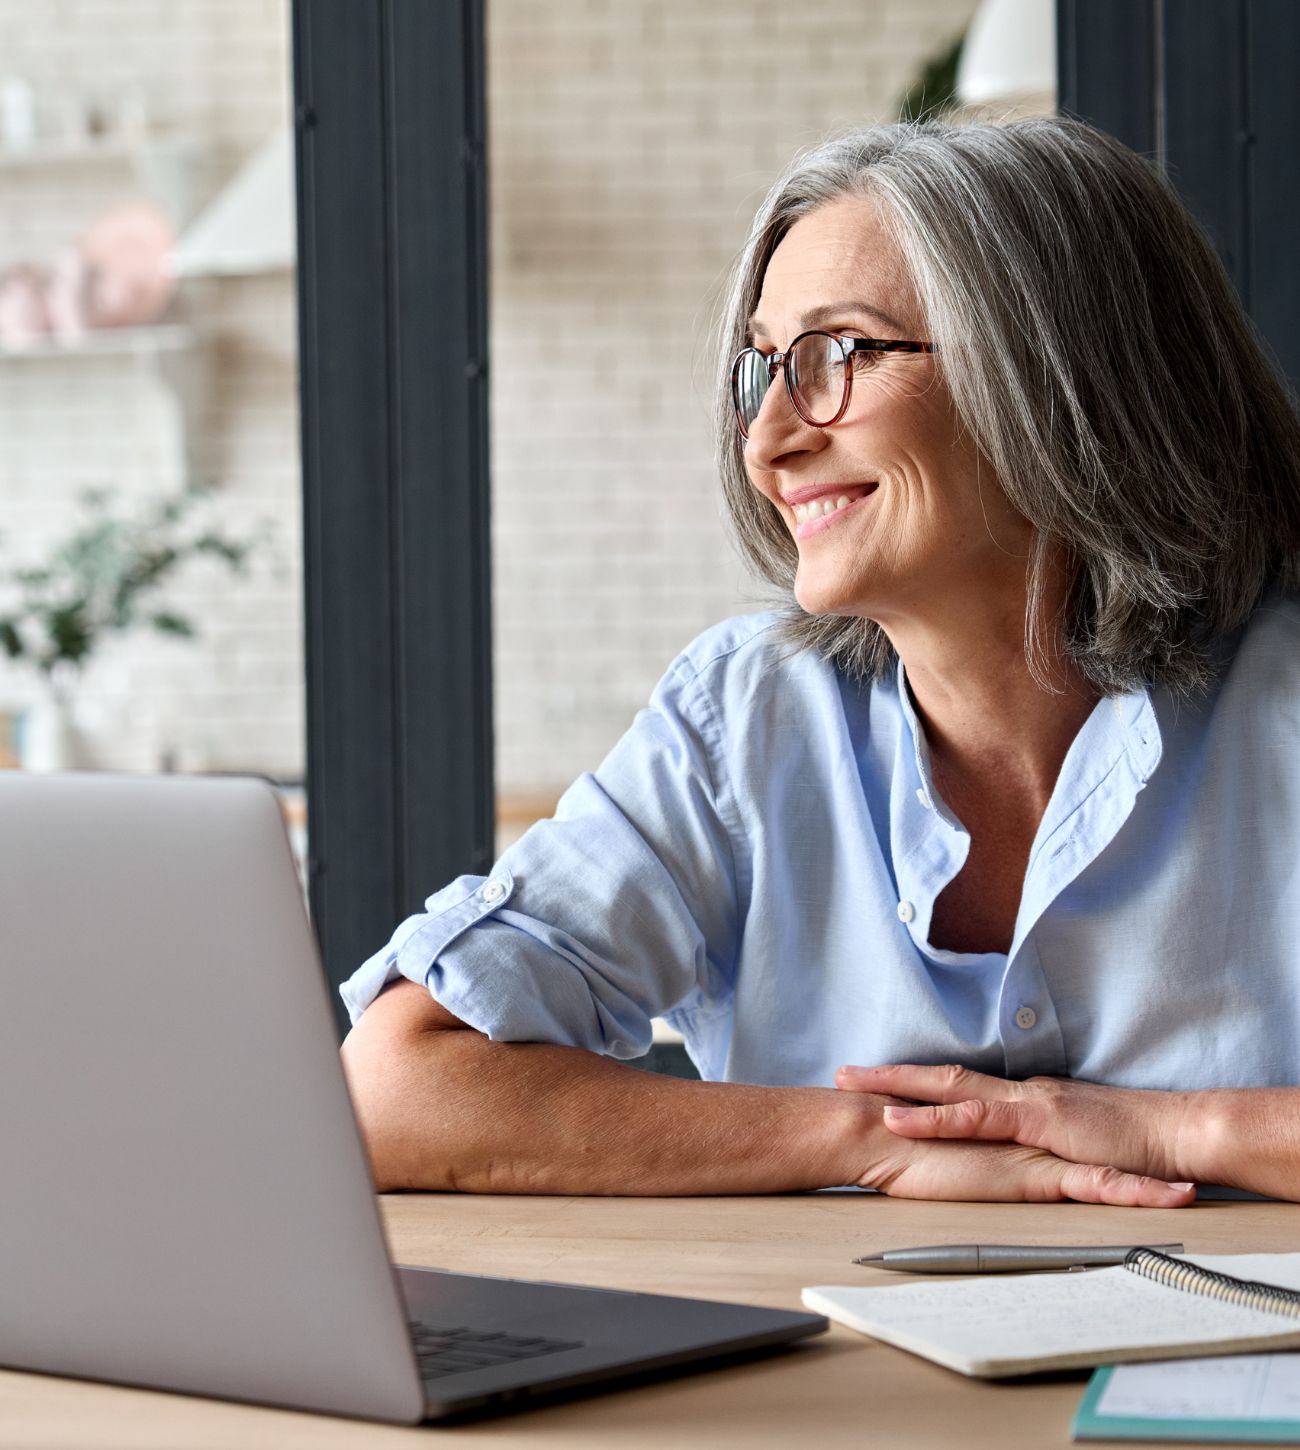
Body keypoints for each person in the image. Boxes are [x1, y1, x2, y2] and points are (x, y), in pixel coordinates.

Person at [339, 117, 1300, 1205]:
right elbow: (395, 1085)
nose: (768, 440)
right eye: (763, 370)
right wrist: (874, 1141)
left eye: (839, 353)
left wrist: (1167, 1131)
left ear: (1061, 369)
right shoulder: (744, 715)